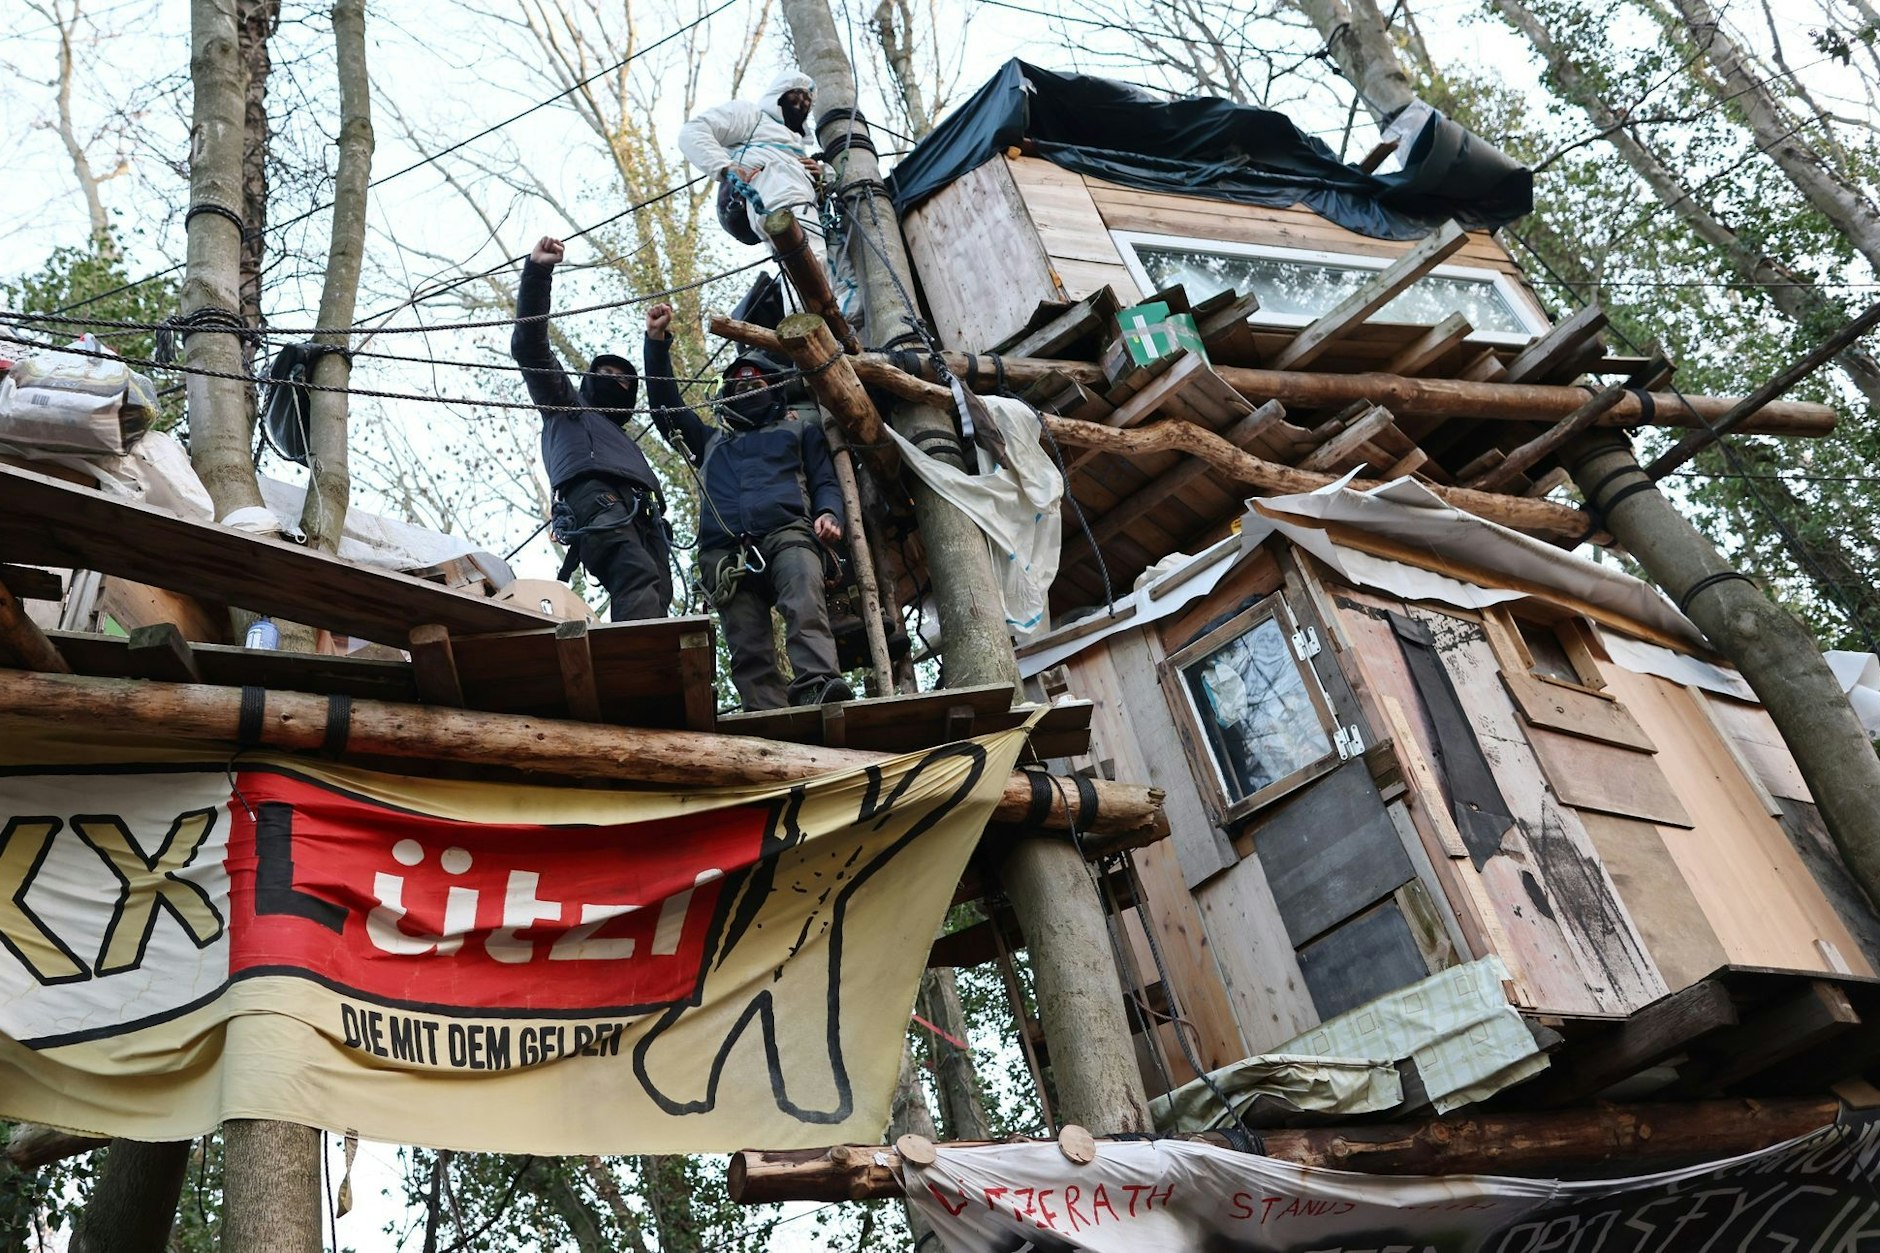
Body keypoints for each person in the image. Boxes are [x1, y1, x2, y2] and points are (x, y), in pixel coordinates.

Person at [642, 301, 854, 710]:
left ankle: (816, 683)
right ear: (727, 396)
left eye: (756, 381)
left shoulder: (799, 431)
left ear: (773, 388)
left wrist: (830, 514)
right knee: (745, 639)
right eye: (738, 383)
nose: (746, 385)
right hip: (724, 552)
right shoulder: (709, 441)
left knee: (804, 602)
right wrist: (656, 343)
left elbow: (825, 480)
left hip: (788, 534)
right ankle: (765, 711)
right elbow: (665, 408)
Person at [511, 235, 672, 621]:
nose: (614, 379)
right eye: (605, 373)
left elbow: (669, 405)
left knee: (657, 591)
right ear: (588, 379)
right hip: (594, 496)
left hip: (642, 511)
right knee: (633, 570)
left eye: (623, 378)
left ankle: (656, 664)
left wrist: (656, 342)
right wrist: (538, 271)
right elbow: (530, 348)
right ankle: (639, 660)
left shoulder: (621, 437)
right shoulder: (565, 403)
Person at [677, 71, 830, 276]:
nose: (802, 101)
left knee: (820, 251)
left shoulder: (798, 147)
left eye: (807, 100)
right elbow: (694, 131)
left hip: (797, 197)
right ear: (779, 93)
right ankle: (811, 297)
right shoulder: (752, 116)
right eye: (797, 93)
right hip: (764, 189)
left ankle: (815, 302)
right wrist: (725, 167)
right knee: (805, 247)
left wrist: (821, 175)